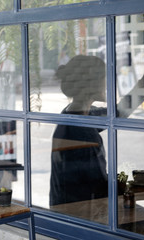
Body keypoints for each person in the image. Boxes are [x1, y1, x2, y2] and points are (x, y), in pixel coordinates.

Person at [50, 55, 108, 206]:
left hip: (64, 209)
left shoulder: (72, 113)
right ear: (91, 84)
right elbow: (100, 187)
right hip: (81, 214)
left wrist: (143, 86)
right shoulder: (83, 132)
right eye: (104, 77)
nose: (107, 83)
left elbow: (117, 113)